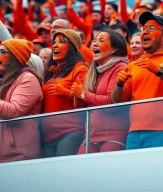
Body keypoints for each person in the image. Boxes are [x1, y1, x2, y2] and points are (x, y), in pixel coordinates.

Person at [112, 12, 163, 150]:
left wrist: (157, 70)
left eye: (151, 28)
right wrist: (119, 84)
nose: (145, 32)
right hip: (133, 132)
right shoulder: (133, 65)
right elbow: (118, 102)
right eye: (143, 29)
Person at [72, 29, 129, 154]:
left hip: (114, 135)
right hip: (90, 136)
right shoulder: (93, 72)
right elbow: (81, 109)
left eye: (101, 40)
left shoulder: (120, 67)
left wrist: (83, 94)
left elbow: (111, 102)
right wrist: (77, 95)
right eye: (95, 40)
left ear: (114, 49)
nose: (95, 44)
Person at [41, 29, 88, 158]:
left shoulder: (80, 69)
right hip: (47, 136)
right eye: (54, 42)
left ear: (72, 48)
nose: (55, 45)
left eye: (61, 42)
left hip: (70, 132)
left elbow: (87, 101)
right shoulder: (50, 72)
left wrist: (67, 93)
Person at [0, 39, 43, 163]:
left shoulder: (28, 80)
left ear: (15, 57)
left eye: (2, 52)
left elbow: (14, 110)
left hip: (19, 154)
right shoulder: (4, 82)